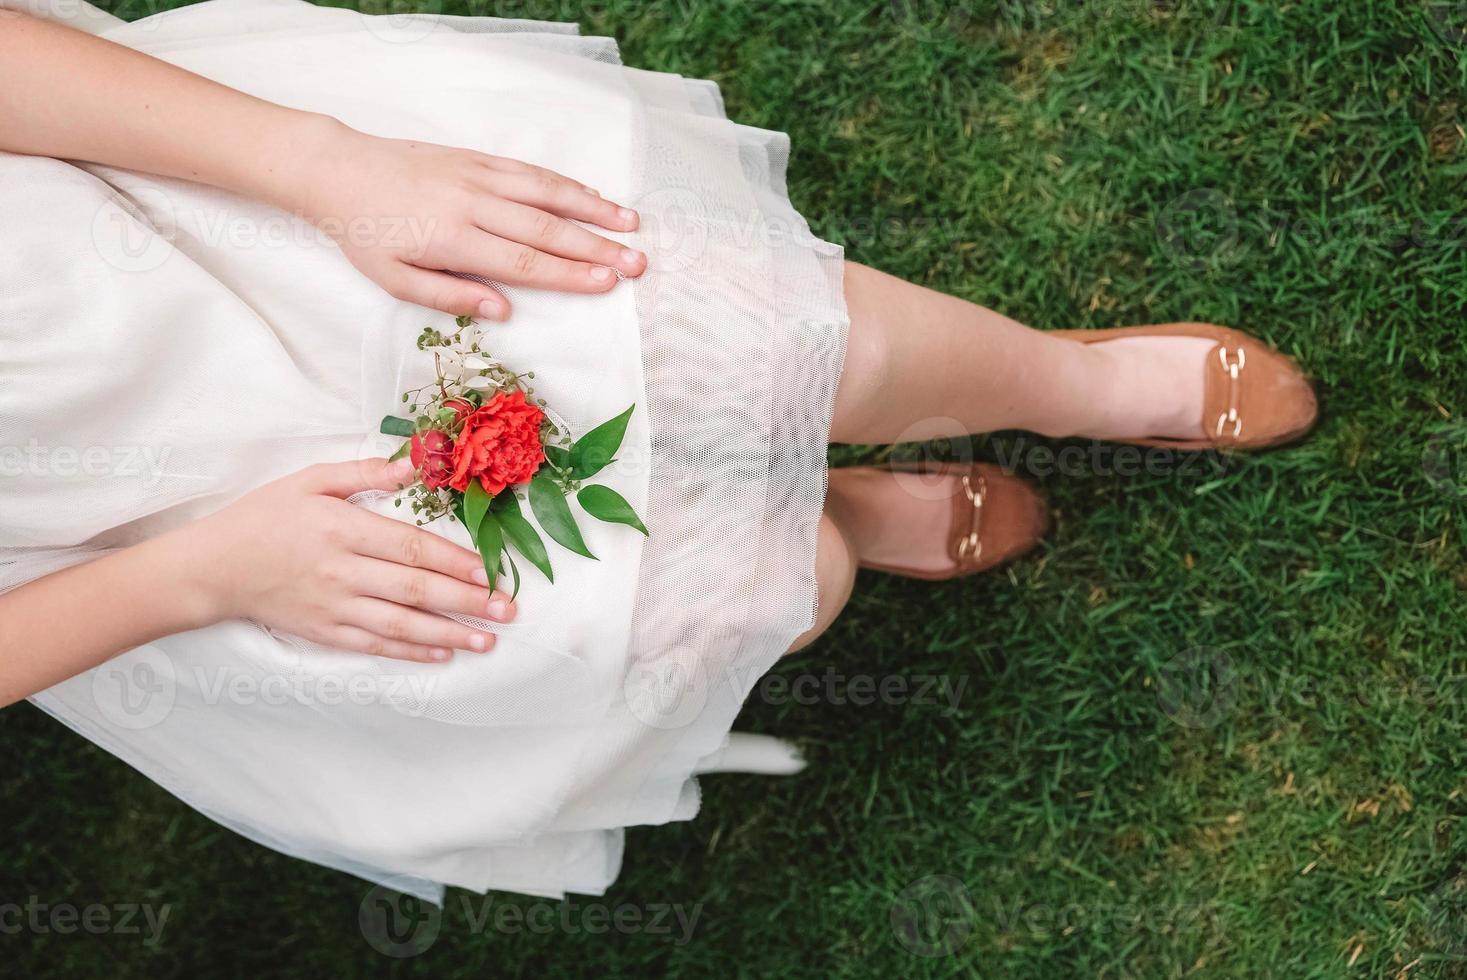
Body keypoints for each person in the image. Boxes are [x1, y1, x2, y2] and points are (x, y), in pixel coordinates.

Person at [0, 0, 1316, 902]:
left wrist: (328, 168)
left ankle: (1064, 378)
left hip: (191, 229)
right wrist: (202, 581)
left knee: (784, 344)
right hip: (161, 538)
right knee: (777, 581)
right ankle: (826, 507)